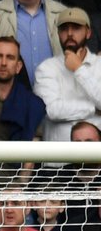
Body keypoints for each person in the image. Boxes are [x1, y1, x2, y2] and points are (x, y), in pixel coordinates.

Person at [33, 8, 101, 144]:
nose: (69, 34)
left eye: (76, 28)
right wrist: (94, 109)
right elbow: (52, 110)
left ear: (88, 33)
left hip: (97, 158)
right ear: (58, 34)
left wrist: (78, 69)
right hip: (58, 159)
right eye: (64, 29)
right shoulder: (46, 68)